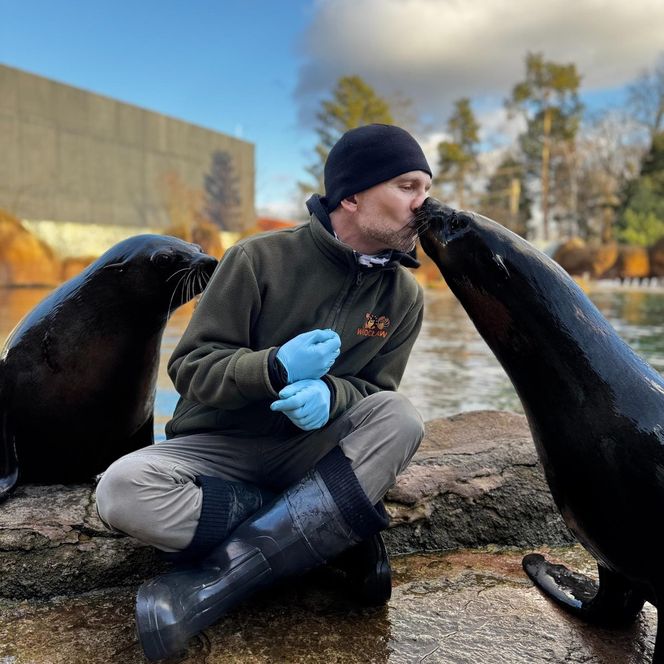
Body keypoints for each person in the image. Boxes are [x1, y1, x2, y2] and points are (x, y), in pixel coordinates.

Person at [95, 123, 432, 661]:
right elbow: (190, 368)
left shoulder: (405, 297)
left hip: (311, 451)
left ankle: (213, 584)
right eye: (408, 186)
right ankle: (319, 535)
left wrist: (333, 396)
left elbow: (375, 393)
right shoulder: (256, 260)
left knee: (401, 417)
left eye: (425, 188)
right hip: (220, 446)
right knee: (122, 489)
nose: (424, 203)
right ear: (352, 194)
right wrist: (274, 368)